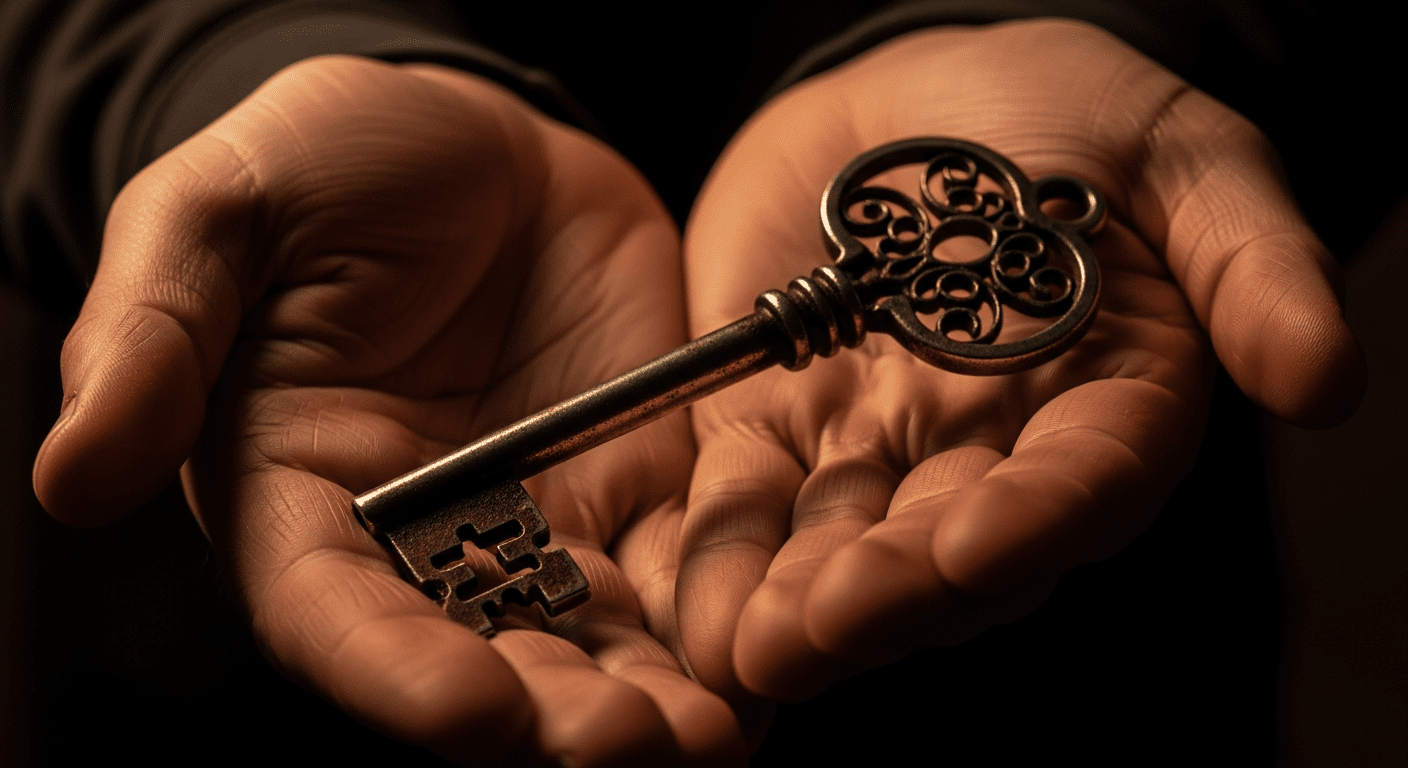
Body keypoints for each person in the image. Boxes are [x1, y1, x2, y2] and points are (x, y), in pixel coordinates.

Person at [2, 1, 1378, 764]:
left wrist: (1151, 26)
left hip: (1059, 671)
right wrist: (198, 67)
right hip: (206, 690)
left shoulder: (974, 268)